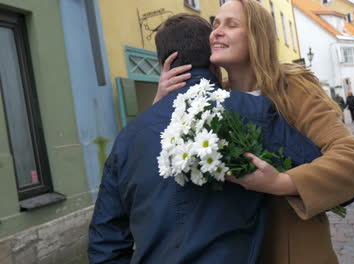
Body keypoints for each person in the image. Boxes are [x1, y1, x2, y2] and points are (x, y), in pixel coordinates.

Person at [88, 13, 325, 264]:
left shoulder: (127, 138)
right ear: (215, 62)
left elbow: (105, 242)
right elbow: (320, 177)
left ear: (164, 66)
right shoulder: (251, 111)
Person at [154, 1, 354, 263]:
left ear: (257, 36)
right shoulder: (211, 99)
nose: (216, 32)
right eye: (215, 25)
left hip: (292, 250)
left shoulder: (292, 89)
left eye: (231, 25)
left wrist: (282, 183)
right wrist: (161, 102)